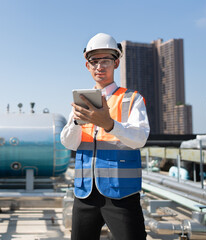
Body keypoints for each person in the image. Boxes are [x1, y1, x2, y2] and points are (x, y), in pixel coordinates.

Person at [60, 33, 150, 240]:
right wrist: (76, 120)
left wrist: (109, 124)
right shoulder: (80, 102)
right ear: (87, 66)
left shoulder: (131, 99)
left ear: (116, 63)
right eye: (94, 61)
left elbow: (140, 139)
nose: (100, 66)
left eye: (106, 61)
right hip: (85, 194)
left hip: (121, 195)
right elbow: (69, 142)